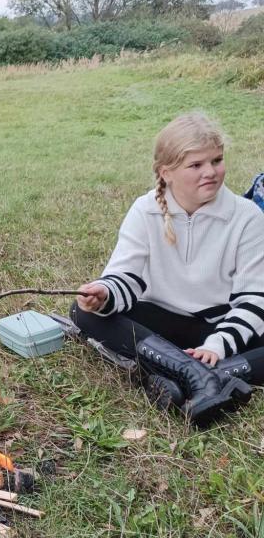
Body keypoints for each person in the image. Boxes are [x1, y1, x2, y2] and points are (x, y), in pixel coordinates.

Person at [72, 112, 264, 426]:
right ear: (167, 172)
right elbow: (126, 277)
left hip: (218, 325)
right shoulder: (144, 209)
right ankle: (198, 374)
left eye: (217, 160)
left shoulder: (247, 216)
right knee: (85, 312)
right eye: (196, 165)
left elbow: (253, 299)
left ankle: (199, 373)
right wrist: (104, 293)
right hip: (159, 322)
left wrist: (216, 346)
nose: (211, 172)